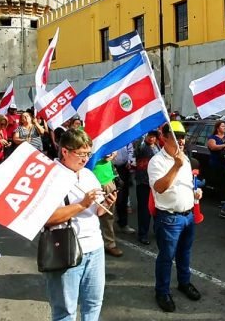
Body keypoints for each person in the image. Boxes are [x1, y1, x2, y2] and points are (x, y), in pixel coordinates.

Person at [43, 129, 116, 321]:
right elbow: (48, 218)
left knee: (93, 303)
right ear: (65, 151)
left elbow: (98, 211)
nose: (85, 159)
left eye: (88, 154)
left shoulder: (88, 175)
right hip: (65, 250)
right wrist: (82, 204)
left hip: (95, 248)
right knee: (65, 310)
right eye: (81, 154)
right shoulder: (51, 176)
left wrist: (107, 202)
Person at [148, 121, 203, 312]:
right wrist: (176, 167)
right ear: (164, 137)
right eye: (175, 136)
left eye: (182, 136)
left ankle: (184, 282)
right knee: (166, 256)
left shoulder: (185, 159)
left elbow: (187, 183)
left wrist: (196, 192)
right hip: (169, 218)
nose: (181, 140)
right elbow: (160, 188)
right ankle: (162, 291)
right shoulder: (157, 161)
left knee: (184, 253)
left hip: (188, 215)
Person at [89, 153, 123, 257]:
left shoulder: (106, 138)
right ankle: (89, 245)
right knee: (88, 214)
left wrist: (112, 154)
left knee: (108, 215)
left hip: (107, 181)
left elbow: (115, 152)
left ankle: (110, 244)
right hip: (90, 181)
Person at [135, 130, 160, 245]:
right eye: (149, 136)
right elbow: (138, 146)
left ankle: (157, 230)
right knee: (144, 210)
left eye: (153, 137)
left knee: (157, 209)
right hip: (143, 182)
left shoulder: (158, 147)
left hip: (155, 183)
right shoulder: (142, 147)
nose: (151, 139)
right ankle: (143, 234)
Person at [113, 142, 136, 235]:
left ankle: (123, 224)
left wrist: (130, 160)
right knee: (111, 198)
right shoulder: (107, 136)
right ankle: (109, 226)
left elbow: (131, 150)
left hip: (123, 169)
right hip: (110, 168)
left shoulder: (123, 134)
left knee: (123, 197)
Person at [206, 121, 225, 196]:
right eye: (222, 126)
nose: (224, 127)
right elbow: (213, 147)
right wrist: (224, 145)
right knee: (218, 178)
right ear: (217, 128)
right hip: (216, 161)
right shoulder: (213, 137)